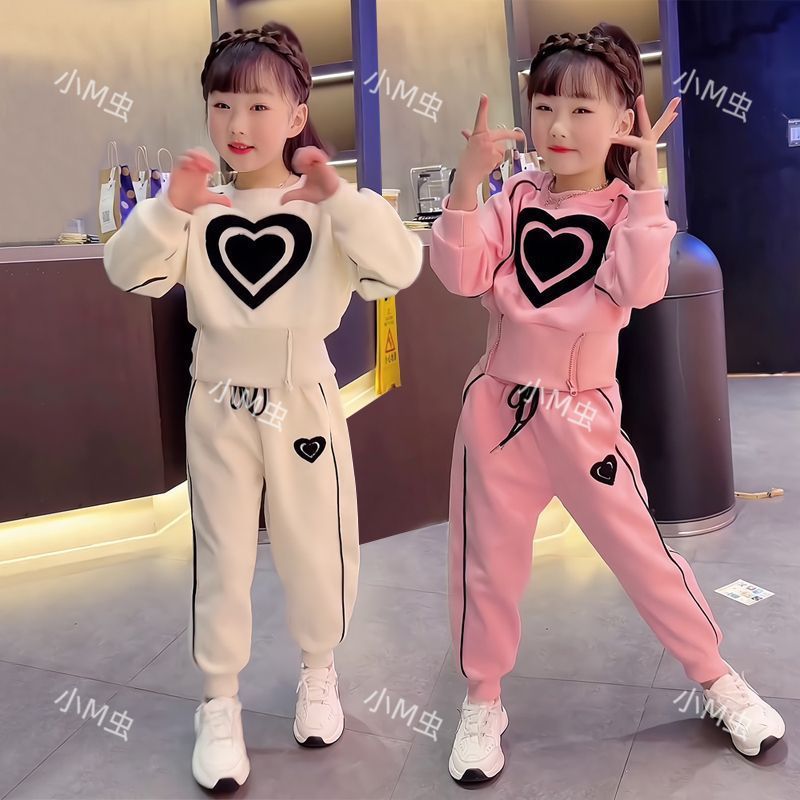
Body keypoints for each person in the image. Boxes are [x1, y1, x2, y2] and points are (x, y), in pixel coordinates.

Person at [429, 21, 785, 785]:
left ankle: (718, 678)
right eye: (546, 106)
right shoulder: (513, 200)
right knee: (484, 564)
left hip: (583, 415)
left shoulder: (629, 210)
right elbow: (460, 275)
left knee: (643, 554)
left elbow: (640, 286)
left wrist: (650, 188)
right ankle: (483, 699)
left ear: (624, 118)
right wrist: (466, 184)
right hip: (496, 410)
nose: (559, 126)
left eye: (582, 109)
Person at [103, 22, 422, 791]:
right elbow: (128, 272)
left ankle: (319, 671)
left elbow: (399, 268)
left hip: (303, 399)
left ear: (297, 111)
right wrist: (168, 209)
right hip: (218, 400)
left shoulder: (329, 202)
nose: (236, 124)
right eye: (221, 104)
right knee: (222, 553)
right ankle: (219, 703)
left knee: (317, 542)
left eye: (256, 105)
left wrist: (341, 199)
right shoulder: (198, 207)